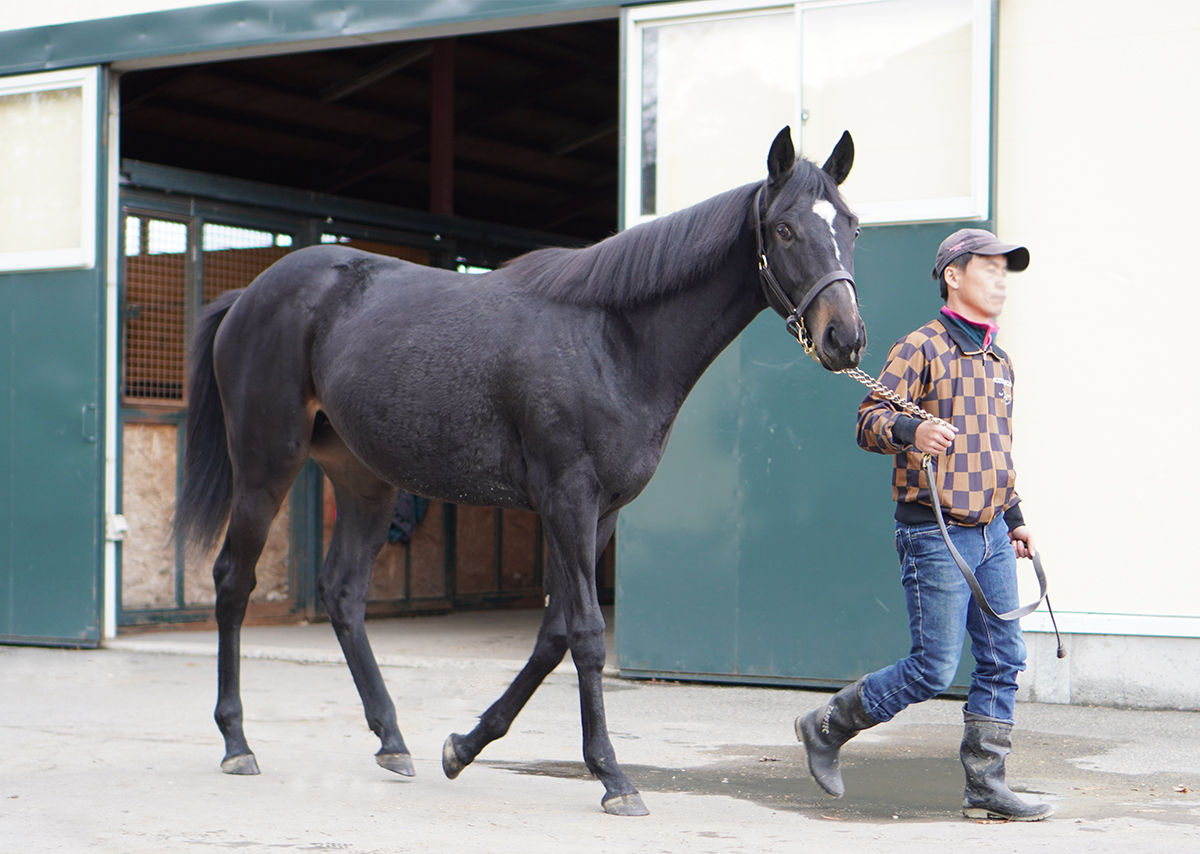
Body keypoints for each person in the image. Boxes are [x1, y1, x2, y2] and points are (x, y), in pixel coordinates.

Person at [795, 228, 1052, 821]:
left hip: (991, 534)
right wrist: (913, 431)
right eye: (989, 268)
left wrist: (1015, 518)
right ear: (953, 276)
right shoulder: (920, 347)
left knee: (1003, 659)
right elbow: (868, 421)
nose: (1000, 279)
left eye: (1005, 270)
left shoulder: (999, 360)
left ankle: (986, 787)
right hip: (934, 533)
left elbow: (997, 452)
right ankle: (826, 725)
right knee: (934, 668)